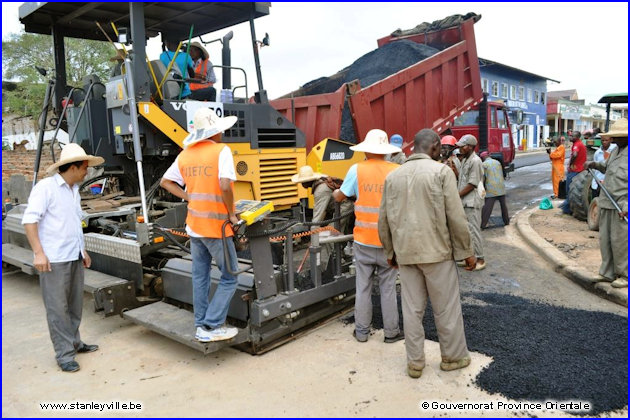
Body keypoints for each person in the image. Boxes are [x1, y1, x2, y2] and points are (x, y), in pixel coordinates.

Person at [378, 128, 475, 379]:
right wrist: (467, 251)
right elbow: (456, 216)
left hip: (406, 255)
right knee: (446, 309)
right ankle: (453, 358)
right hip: (438, 254)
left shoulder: (393, 177)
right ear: (434, 147)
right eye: (439, 148)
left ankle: (415, 364)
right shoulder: (441, 172)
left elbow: (384, 220)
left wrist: (390, 251)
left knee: (411, 311)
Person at [160, 107, 241, 342]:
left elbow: (166, 182)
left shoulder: (185, 154)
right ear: (215, 132)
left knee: (201, 276)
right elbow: (225, 185)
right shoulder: (221, 151)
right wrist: (232, 214)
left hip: (194, 225)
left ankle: (200, 324)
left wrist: (189, 198)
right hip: (217, 227)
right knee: (230, 277)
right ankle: (212, 326)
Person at [22, 143, 105, 373]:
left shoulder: (73, 190)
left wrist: (83, 250)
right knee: (58, 309)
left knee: (74, 306)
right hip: (54, 259)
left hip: (73, 256)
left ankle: (75, 343)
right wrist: (38, 252)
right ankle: (64, 354)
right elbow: (30, 221)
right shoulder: (46, 188)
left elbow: (73, 223)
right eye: (85, 168)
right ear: (73, 167)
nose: (87, 172)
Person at [333, 129, 403, 344]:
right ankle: (391, 333)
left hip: (363, 241)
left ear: (366, 150)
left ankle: (362, 332)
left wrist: (336, 188)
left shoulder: (357, 169)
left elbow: (339, 197)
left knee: (362, 287)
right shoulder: (397, 171)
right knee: (388, 288)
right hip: (388, 243)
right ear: (386, 151)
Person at [587, 118, 628, 288]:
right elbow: (606, 167)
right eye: (613, 137)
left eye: (618, 137)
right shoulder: (615, 151)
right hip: (607, 201)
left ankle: (624, 276)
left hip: (621, 205)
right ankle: (607, 273)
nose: (613, 139)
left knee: (621, 242)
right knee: (606, 240)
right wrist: (594, 164)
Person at [291, 166, 353, 270]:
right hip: (340, 207)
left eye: (302, 182)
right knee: (336, 231)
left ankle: (337, 261)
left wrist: (313, 237)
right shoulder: (321, 182)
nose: (301, 184)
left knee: (329, 232)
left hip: (345, 207)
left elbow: (317, 218)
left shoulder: (320, 190)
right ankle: (341, 255)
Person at [455, 134, 486, 271]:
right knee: (467, 231)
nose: (460, 148)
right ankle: (469, 257)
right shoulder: (465, 160)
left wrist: (456, 196)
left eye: (463, 146)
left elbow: (472, 184)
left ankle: (480, 259)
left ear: (471, 147)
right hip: (465, 201)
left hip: (472, 202)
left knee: (474, 231)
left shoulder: (475, 161)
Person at [480, 151, 509, 228]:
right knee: (503, 206)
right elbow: (503, 173)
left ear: (483, 158)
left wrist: (482, 188)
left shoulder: (484, 165)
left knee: (487, 208)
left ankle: (482, 224)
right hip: (501, 186)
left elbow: (483, 178)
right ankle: (506, 221)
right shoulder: (497, 162)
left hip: (491, 188)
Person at [561, 131, 587, 214]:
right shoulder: (579, 144)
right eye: (570, 135)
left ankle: (567, 209)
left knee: (569, 189)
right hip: (579, 170)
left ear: (577, 137)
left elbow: (575, 154)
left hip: (575, 170)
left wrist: (571, 164)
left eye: (572, 136)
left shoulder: (577, 144)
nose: (570, 137)